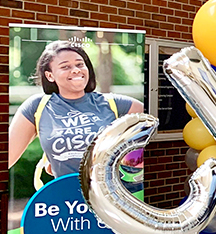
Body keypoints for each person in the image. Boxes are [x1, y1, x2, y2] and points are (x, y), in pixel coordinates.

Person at [9, 41, 144, 178]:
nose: (76, 70)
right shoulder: (36, 107)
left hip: (110, 195)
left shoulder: (115, 104)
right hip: (66, 195)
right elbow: (7, 156)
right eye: (65, 66)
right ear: (50, 76)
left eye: (80, 64)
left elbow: (151, 135)